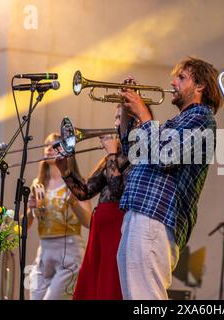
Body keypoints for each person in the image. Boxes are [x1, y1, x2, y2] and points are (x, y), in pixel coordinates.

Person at [117, 56, 222, 300]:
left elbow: (167, 156)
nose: (173, 82)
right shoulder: (175, 122)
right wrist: (125, 111)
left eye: (181, 77)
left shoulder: (201, 119)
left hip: (156, 217)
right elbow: (130, 148)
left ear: (200, 86)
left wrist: (144, 113)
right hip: (140, 214)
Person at [55, 106, 130, 300]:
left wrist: (111, 153)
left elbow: (117, 190)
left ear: (134, 121)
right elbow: (84, 191)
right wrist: (65, 170)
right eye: (114, 117)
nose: (114, 123)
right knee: (92, 289)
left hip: (118, 230)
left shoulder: (137, 155)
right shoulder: (113, 156)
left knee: (109, 287)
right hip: (100, 232)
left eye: (119, 118)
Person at [27, 132, 92, 300]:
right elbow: (25, 227)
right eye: (47, 145)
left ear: (66, 151)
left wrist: (74, 202)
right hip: (44, 253)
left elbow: (89, 222)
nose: (49, 149)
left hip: (69, 252)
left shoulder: (76, 182)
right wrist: (30, 210)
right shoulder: (38, 184)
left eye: (55, 145)